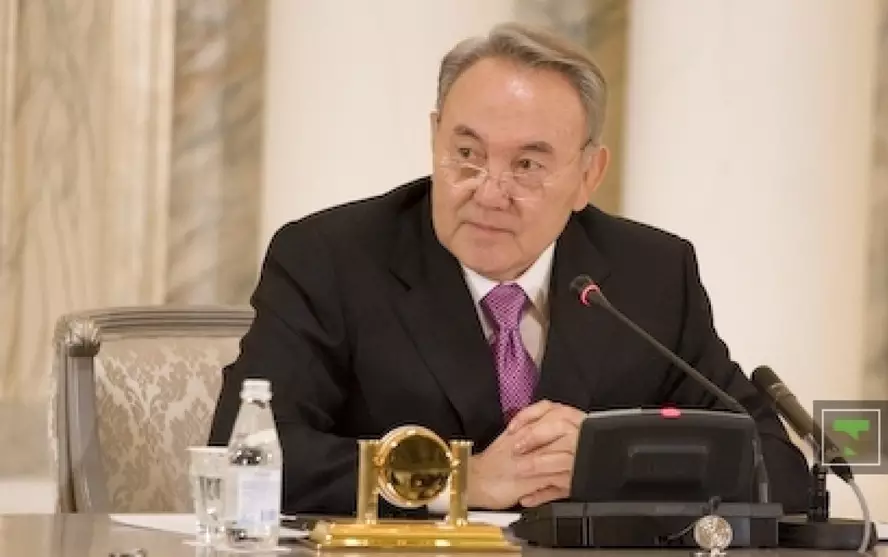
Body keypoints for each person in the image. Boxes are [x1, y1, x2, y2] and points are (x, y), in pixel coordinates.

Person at [208, 21, 810, 516]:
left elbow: (776, 467)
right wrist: (458, 479)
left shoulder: (649, 274)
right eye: (467, 154)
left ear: (589, 175)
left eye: (527, 165)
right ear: (435, 137)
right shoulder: (330, 258)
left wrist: (611, 464)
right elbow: (249, 452)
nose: (489, 191)